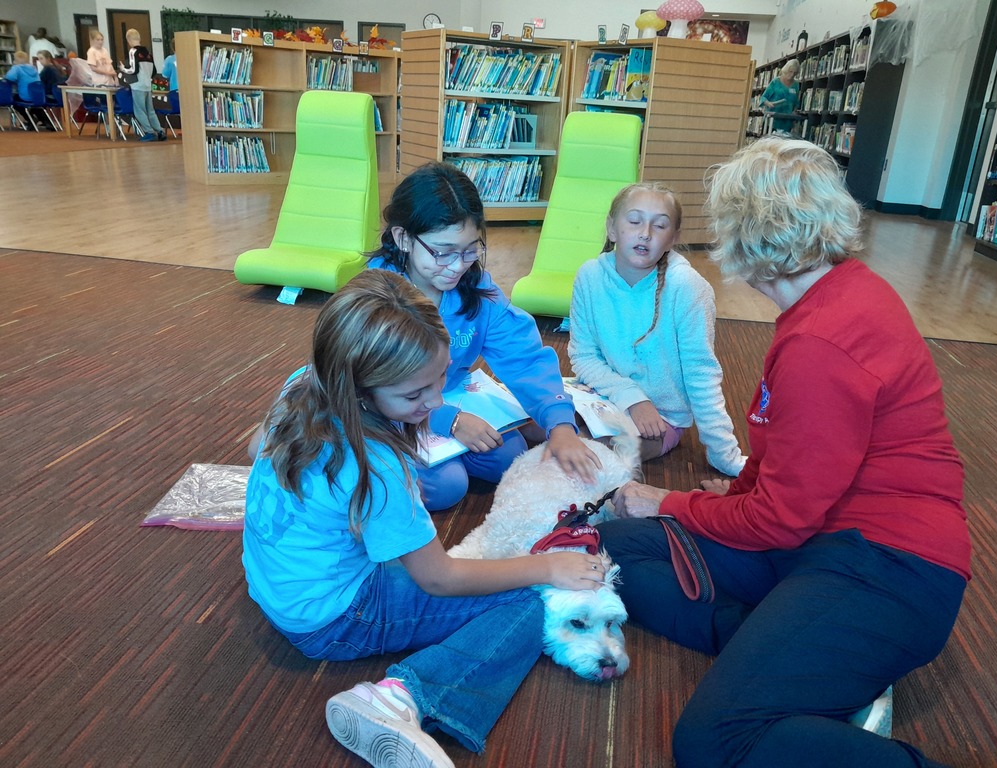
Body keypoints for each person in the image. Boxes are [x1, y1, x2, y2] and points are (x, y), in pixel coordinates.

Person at [599, 137, 971, 768]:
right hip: (823, 536)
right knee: (610, 551)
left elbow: (778, 520)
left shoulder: (820, 342)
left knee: (711, 745)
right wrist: (726, 498)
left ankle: (810, 668)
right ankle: (811, 665)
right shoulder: (839, 293)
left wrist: (669, 501)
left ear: (744, 237)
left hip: (887, 566)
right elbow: (786, 468)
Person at [243, 269, 607, 767]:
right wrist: (547, 566)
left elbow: (255, 447)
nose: (436, 402)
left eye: (441, 379)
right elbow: (439, 578)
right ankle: (405, 698)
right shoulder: (377, 466)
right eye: (415, 395)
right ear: (360, 390)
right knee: (529, 602)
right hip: (330, 619)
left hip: (273, 583)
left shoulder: (303, 384)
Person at [367, 162, 601, 510]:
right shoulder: (374, 296)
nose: (458, 265)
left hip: (444, 399)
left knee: (509, 455)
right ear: (403, 239)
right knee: (447, 486)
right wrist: (448, 420)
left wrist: (560, 424)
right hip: (385, 412)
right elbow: (365, 390)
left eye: (469, 250)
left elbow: (524, 358)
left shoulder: (476, 290)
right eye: (443, 252)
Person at [568, 182, 745, 472]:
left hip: (661, 417)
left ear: (673, 239)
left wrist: (723, 453)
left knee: (594, 451)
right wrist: (630, 398)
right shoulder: (590, 276)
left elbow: (701, 374)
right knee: (538, 425)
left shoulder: (688, 287)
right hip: (602, 395)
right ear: (612, 228)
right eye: (634, 221)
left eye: (659, 225)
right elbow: (584, 356)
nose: (645, 233)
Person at [119, 28, 165, 141]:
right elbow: (154, 71)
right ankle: (159, 130)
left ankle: (149, 132)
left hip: (138, 85)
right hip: (147, 86)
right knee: (150, 110)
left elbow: (133, 70)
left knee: (139, 110)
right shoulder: (148, 53)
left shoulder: (133, 51)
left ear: (129, 40)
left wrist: (123, 69)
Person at [760, 58, 800, 134]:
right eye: (790, 71)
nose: (792, 75)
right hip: (772, 121)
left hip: (787, 122)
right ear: (786, 70)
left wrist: (795, 111)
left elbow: (796, 102)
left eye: (794, 73)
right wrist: (768, 103)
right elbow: (763, 98)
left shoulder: (796, 85)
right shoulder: (775, 82)